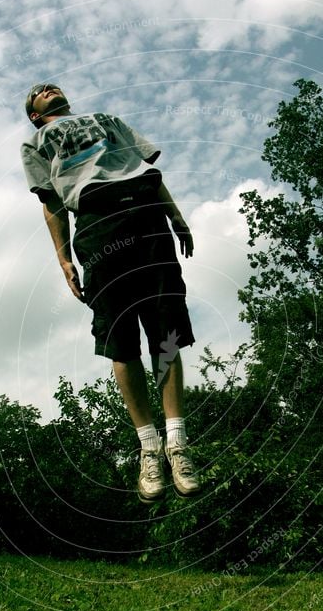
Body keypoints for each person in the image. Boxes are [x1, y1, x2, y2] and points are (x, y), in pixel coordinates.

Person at [20, 82, 201, 502]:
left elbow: (149, 172)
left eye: (52, 85)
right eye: (38, 92)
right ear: (34, 113)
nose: (47, 87)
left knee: (167, 334)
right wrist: (63, 258)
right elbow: (51, 204)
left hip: (145, 214)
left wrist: (177, 217)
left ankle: (178, 444)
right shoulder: (36, 142)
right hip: (98, 223)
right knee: (121, 341)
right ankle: (149, 448)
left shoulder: (107, 120)